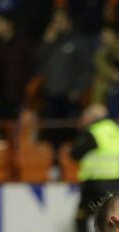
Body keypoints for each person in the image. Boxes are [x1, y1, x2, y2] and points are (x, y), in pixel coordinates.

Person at [69, 104, 119, 232]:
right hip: (116, 181)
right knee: (111, 220)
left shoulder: (94, 132)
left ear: (92, 117)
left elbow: (75, 153)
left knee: (81, 219)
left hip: (94, 183)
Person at [37, 8, 95, 146]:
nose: (58, 24)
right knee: (52, 135)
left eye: (61, 21)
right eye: (55, 21)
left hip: (69, 97)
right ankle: (56, 164)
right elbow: (38, 60)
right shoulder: (52, 42)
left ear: (69, 22)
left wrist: (78, 89)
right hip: (51, 96)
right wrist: (47, 42)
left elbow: (88, 68)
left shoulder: (78, 42)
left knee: (71, 135)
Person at [0, 11, 35, 122]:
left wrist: (26, 97)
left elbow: (31, 70)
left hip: (19, 100)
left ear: (9, 24)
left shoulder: (23, 45)